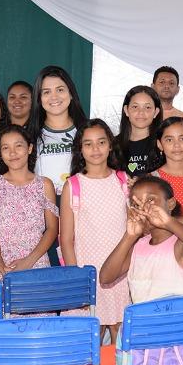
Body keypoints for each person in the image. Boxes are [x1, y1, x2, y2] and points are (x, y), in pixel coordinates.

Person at [99, 175, 183, 365]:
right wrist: (129, 237)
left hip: (180, 339)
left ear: (170, 204)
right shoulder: (138, 246)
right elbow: (106, 277)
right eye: (137, 203)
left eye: (151, 200)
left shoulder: (180, 244)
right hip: (145, 341)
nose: (145, 207)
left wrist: (169, 222)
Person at [59, 120, 131, 351]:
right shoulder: (73, 185)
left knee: (122, 342)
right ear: (80, 149)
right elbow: (66, 238)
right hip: (87, 275)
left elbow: (134, 228)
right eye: (88, 144)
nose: (96, 149)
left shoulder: (124, 181)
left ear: (110, 145)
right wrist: (77, 279)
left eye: (101, 142)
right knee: (90, 343)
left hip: (121, 273)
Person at [0, 124, 59, 274]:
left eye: (18, 146)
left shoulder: (45, 184)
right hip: (3, 267)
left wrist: (28, 262)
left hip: (37, 264)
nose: (12, 153)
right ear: (0, 153)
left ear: (29, 148)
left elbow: (52, 229)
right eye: (5, 148)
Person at [29, 65, 89, 194]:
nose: (54, 97)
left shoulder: (88, 131)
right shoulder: (28, 135)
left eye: (60, 90)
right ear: (39, 98)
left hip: (81, 206)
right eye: (46, 92)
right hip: (42, 209)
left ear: (71, 93)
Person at [117, 85, 163, 176]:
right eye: (135, 107)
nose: (141, 112)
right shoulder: (113, 145)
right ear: (126, 110)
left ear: (156, 112)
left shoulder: (163, 144)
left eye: (147, 107)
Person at [152, 66, 183, 142]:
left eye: (171, 83)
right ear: (153, 87)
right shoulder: (141, 114)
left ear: (177, 90)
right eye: (162, 82)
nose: (166, 86)